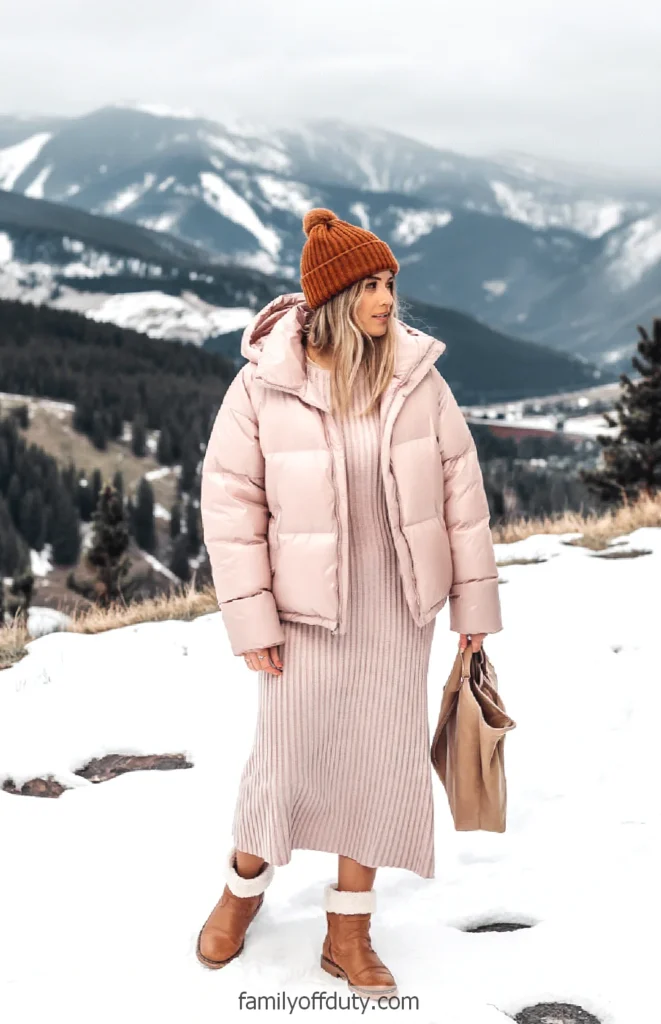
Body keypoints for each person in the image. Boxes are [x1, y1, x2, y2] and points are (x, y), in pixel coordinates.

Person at [196, 208, 503, 998]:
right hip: (302, 616)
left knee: (377, 764)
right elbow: (230, 508)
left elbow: (461, 497)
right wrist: (252, 619)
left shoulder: (416, 378)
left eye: (390, 282)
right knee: (283, 764)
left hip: (398, 611)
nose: (386, 299)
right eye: (369, 285)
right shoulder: (263, 384)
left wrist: (472, 612)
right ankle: (241, 890)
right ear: (331, 298)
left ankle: (348, 931)